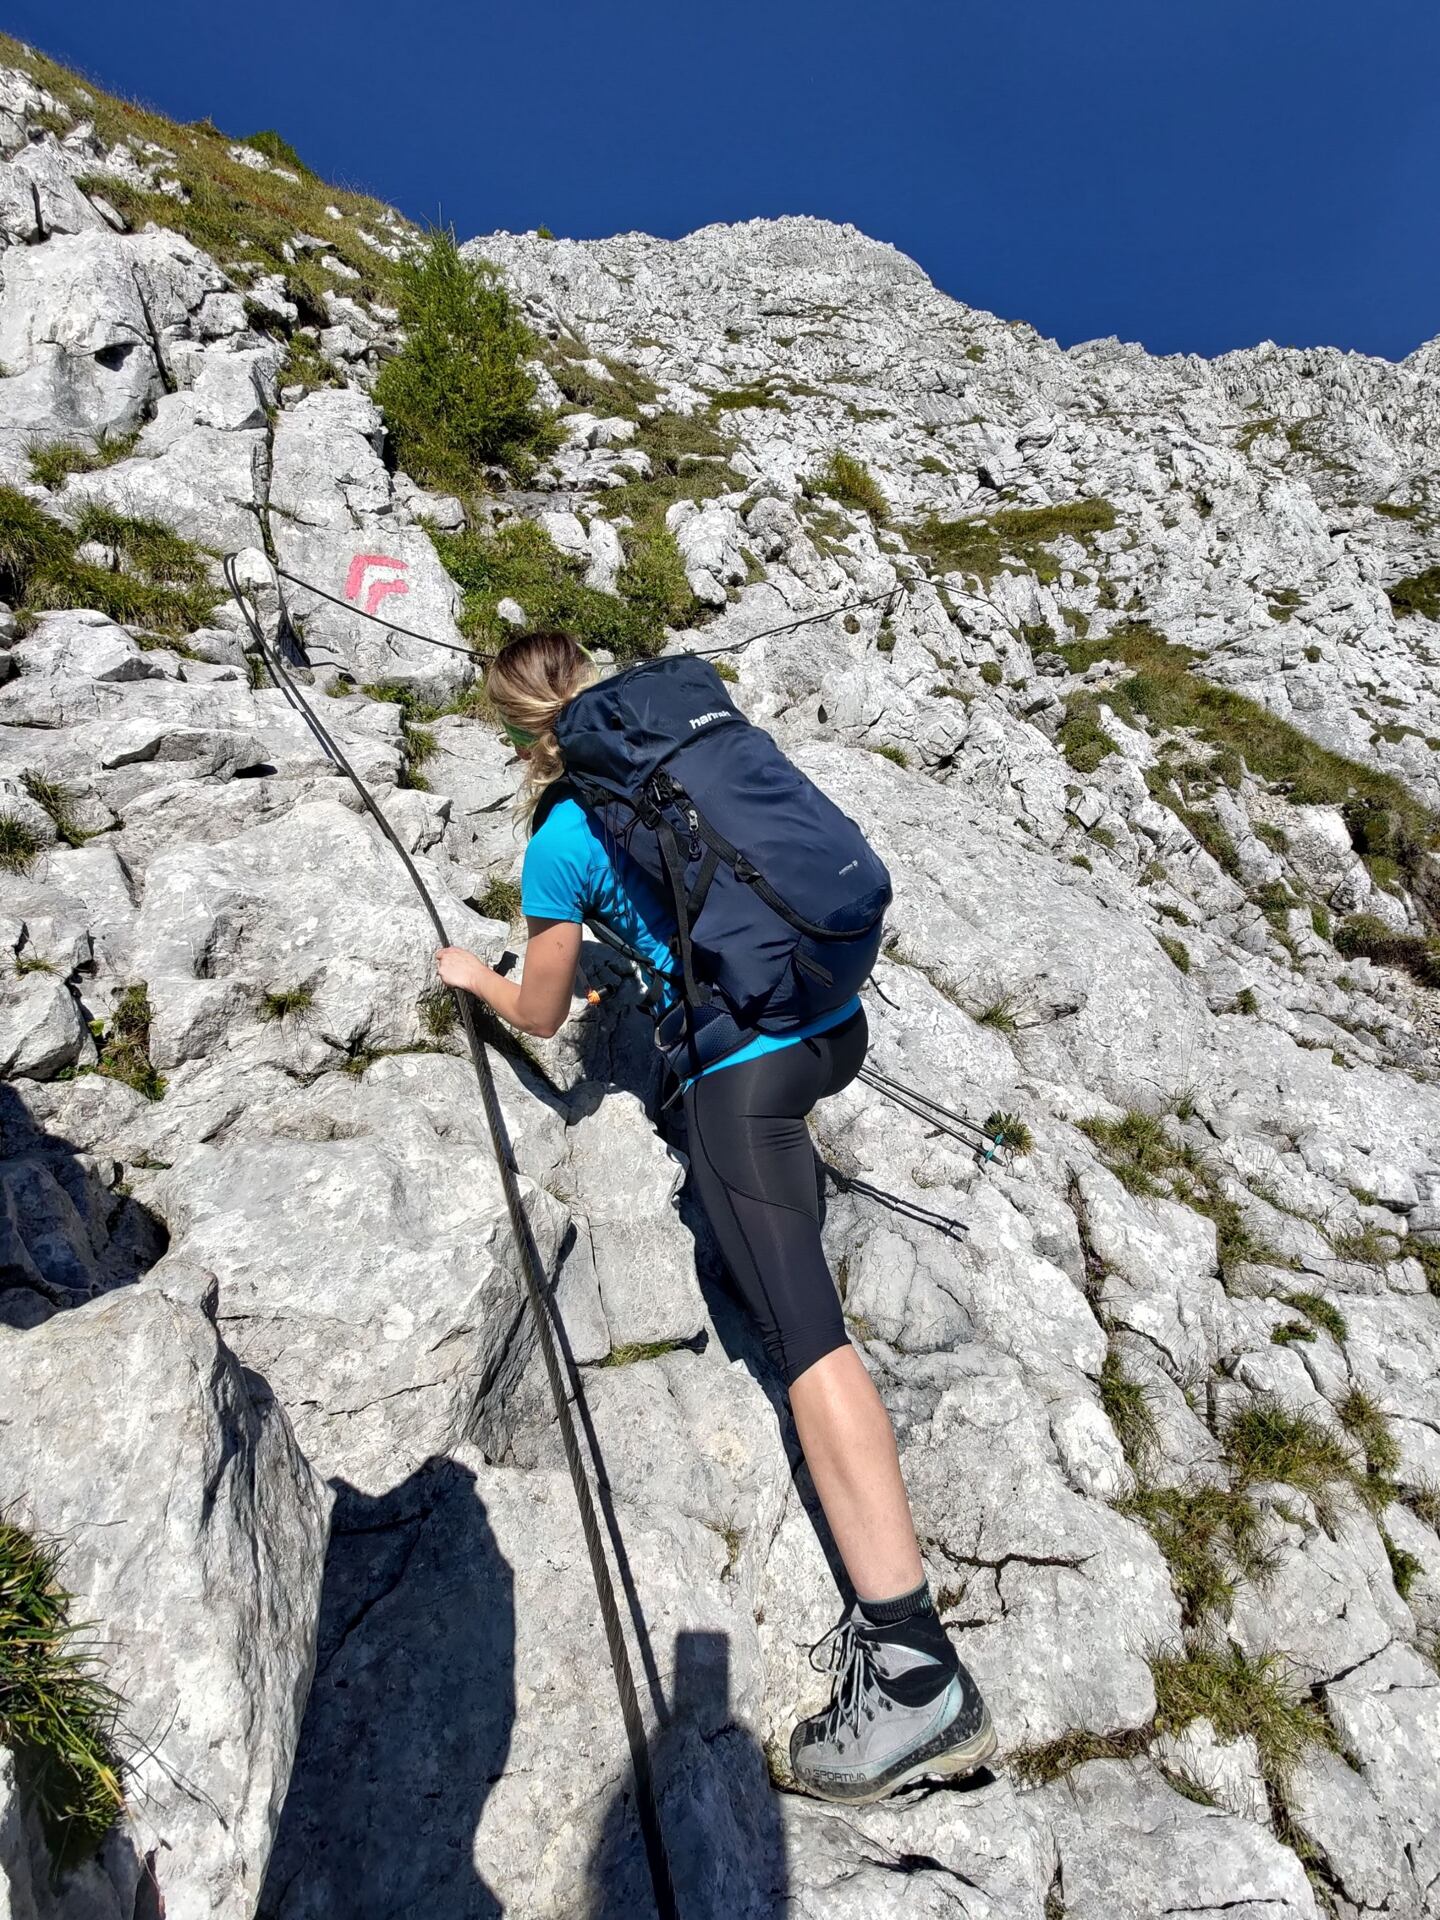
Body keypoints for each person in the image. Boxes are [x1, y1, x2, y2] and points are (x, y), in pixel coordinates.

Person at [436, 630, 994, 1804]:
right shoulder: (686, 761)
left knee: (808, 1342)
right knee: (779, 1255)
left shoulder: (560, 839)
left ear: (518, 732)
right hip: (829, 1024)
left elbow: (540, 1014)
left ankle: (915, 1674)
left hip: (744, 1079)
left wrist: (471, 974)